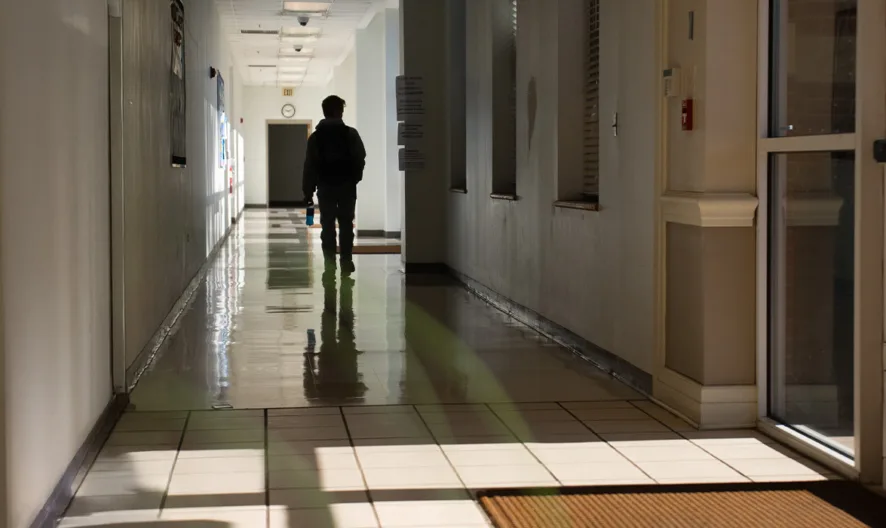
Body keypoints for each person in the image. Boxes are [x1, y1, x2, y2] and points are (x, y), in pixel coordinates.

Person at [302, 95, 366, 276]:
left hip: (325, 187)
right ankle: (346, 260)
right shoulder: (350, 134)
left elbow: (310, 166)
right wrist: (354, 178)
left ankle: (330, 264)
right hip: (346, 187)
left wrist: (308, 191)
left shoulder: (316, 138)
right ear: (340, 111)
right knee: (346, 224)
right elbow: (360, 158)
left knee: (327, 225)